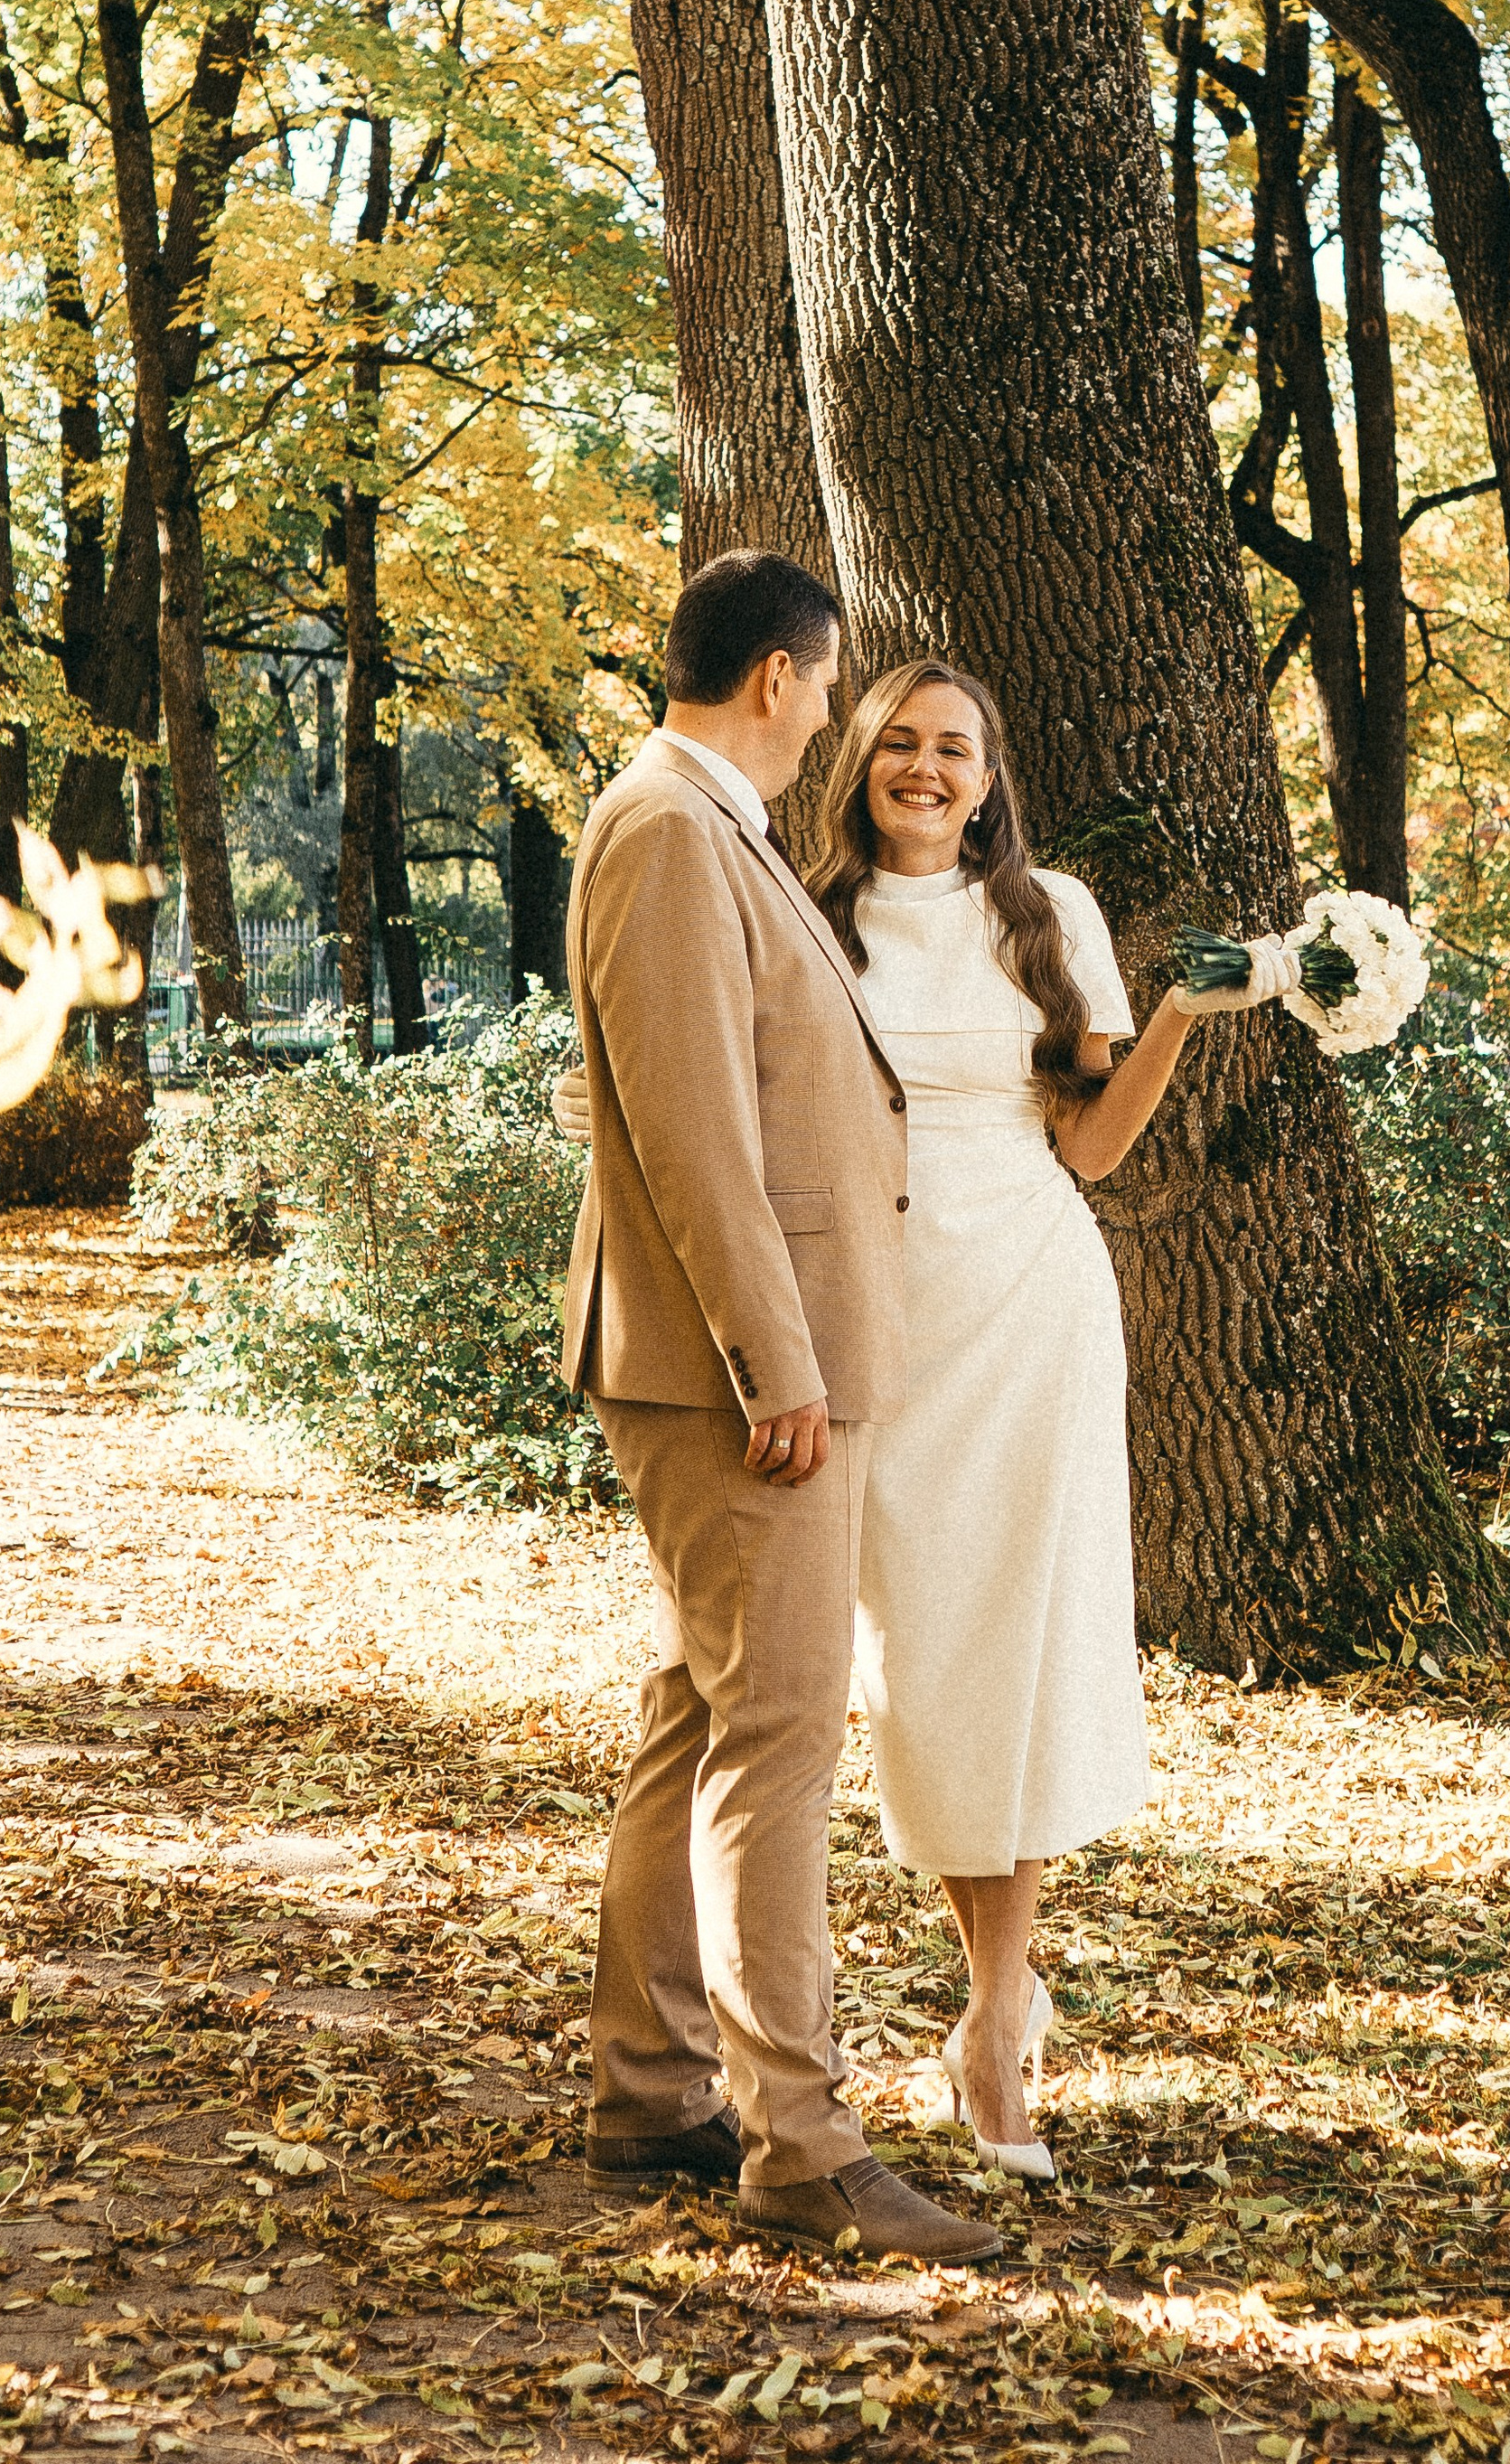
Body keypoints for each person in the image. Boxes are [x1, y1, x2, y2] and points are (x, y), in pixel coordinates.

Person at [560, 553, 1002, 2269]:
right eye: (826, 688)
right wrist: (780, 1364)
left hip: (727, 1364)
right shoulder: (672, 832)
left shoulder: (703, 825)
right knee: (783, 1735)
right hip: (734, 1375)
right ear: (774, 676)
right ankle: (801, 2145)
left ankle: (651, 2090)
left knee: (703, 1716)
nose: (834, 715)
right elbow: (692, 1135)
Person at [807, 662, 1235, 2181]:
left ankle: (997, 2017)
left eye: (955, 751)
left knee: (1028, 1647)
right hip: (881, 1324)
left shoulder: (1049, 914)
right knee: (919, 1663)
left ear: (991, 780)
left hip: (1036, 1307)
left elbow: (1100, 1149)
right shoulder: (808, 917)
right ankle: (997, 1999)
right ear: (859, 762)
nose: (926, 770)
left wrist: (1180, 1007)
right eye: (900, 745)